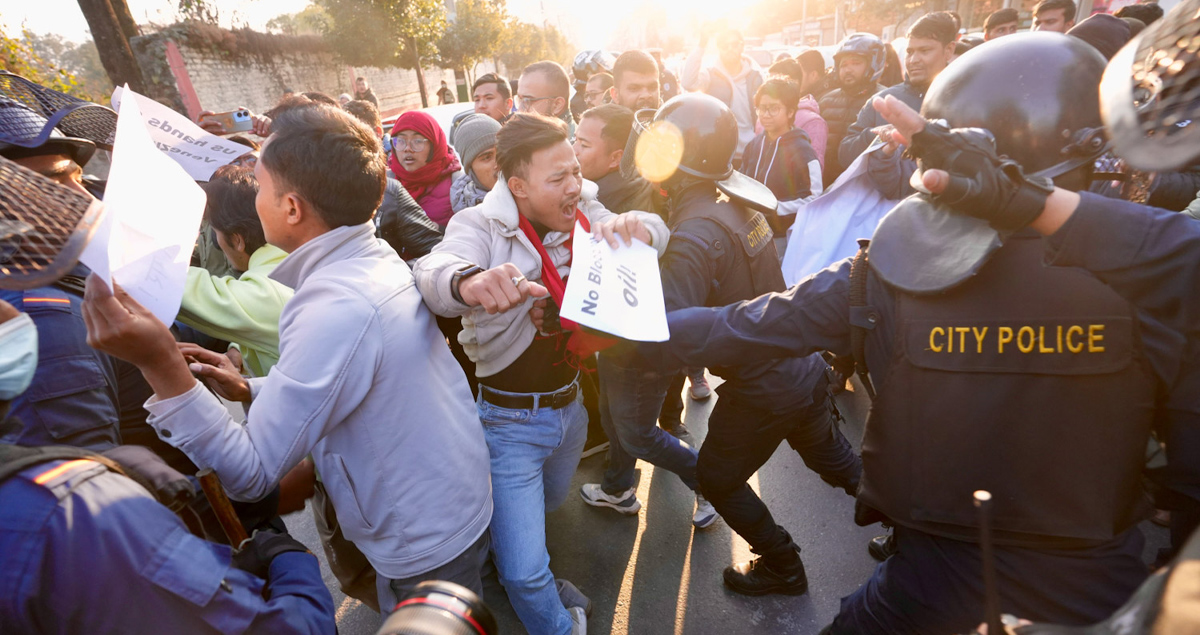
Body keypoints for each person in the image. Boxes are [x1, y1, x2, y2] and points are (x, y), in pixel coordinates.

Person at [644, 34, 1166, 634]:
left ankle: (787, 559)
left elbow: (747, 324)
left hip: (937, 575)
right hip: (1099, 585)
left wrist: (616, 330)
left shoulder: (888, 268)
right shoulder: (1158, 279)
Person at [82, 103, 494, 615]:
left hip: (423, 537)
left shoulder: (334, 303)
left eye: (259, 187)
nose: (254, 202)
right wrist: (254, 388)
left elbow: (252, 473)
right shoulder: (367, 257)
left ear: (292, 208)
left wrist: (160, 365)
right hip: (448, 503)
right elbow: (360, 380)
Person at [414, 113, 670, 635]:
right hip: (508, 425)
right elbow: (432, 271)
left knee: (552, 504)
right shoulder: (478, 225)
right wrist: (469, 282)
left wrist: (642, 227)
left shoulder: (584, 207)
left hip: (572, 411)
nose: (575, 185)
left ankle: (509, 552)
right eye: (559, 178)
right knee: (525, 571)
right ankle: (554, 618)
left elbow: (656, 233)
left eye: (576, 170)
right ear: (518, 187)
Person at [629, 93, 861, 597]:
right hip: (801, 366)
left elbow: (669, 336)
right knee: (836, 460)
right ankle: (917, 530)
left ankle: (782, 563)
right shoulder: (733, 202)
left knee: (716, 478)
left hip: (762, 386)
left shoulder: (692, 234)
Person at [178, 165, 292, 378]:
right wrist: (239, 347)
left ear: (237, 240)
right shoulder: (289, 263)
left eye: (216, 234)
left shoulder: (270, 289)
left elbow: (176, 285)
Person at [839, 12, 956, 198]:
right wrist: (878, 137)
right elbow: (845, 154)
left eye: (925, 51)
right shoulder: (884, 100)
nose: (914, 60)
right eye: (910, 52)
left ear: (949, 50)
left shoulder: (965, 99)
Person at [740, 79, 824, 235]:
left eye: (774, 108)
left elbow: (814, 198)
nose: (765, 114)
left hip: (783, 234)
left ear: (790, 112)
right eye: (762, 108)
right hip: (751, 231)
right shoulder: (755, 145)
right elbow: (741, 181)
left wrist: (771, 208)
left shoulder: (802, 150)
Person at [682, 28, 765, 162]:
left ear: (742, 45)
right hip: (721, 153)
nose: (730, 49)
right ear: (719, 49)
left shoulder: (756, 76)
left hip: (752, 152)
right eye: (724, 46)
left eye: (734, 44)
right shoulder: (710, 74)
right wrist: (702, 45)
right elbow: (688, 82)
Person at [819, 33, 886, 186]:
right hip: (824, 188)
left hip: (861, 189)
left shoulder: (884, 100)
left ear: (873, 64)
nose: (848, 69)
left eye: (856, 63)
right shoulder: (826, 100)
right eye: (844, 65)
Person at [574, 104, 653, 215]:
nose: (573, 150)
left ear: (615, 158)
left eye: (584, 145)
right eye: (575, 139)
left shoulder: (604, 207)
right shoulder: (634, 182)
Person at [388, 110, 462, 227]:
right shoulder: (385, 184)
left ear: (434, 145)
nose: (407, 148)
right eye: (401, 141)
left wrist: (439, 231)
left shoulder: (459, 185)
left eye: (417, 141)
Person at [764, 56, 829, 170]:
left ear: (794, 83)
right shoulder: (763, 115)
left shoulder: (813, 122)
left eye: (776, 83)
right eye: (768, 82)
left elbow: (813, 170)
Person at [451, 113, 502, 212]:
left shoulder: (529, 193)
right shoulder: (466, 218)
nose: (499, 163)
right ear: (470, 169)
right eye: (487, 157)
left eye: (502, 152)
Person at [518, 61, 576, 137]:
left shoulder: (566, 145)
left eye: (528, 101)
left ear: (557, 105)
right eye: (519, 100)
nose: (519, 110)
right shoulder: (541, 137)